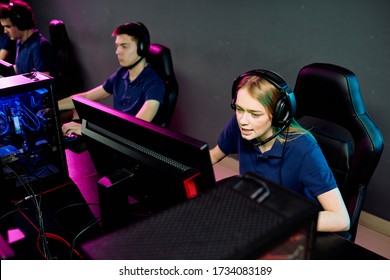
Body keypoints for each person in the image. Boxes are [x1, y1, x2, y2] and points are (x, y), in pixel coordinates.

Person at [209, 69, 350, 233]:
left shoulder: (303, 148)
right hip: (255, 211)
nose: (243, 121)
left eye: (255, 114)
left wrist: (278, 221)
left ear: (278, 114)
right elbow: (214, 155)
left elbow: (341, 219)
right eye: (239, 109)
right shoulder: (240, 125)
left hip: (289, 227)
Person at [59, 21, 165, 136]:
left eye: (124, 46)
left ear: (142, 48)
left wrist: (86, 129)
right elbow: (86, 96)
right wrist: (52, 106)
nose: (117, 51)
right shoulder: (121, 74)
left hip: (132, 147)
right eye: (117, 46)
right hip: (114, 137)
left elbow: (134, 130)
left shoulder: (155, 84)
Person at [0, 0, 53, 75]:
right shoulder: (19, 42)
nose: (5, 31)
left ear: (20, 23)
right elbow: (21, 69)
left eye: (8, 26)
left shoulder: (39, 47)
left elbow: (44, 82)